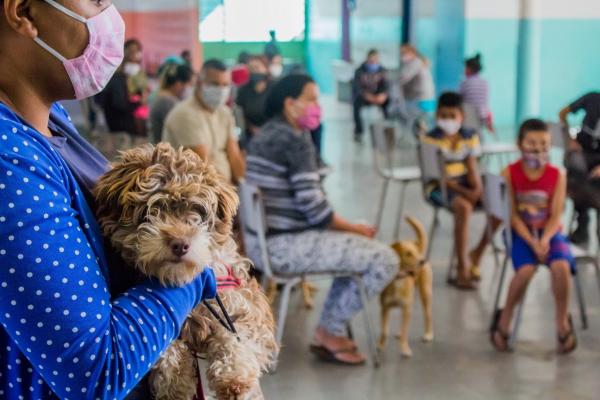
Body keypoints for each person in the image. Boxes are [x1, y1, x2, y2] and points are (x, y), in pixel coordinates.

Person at [0, 1, 217, 398]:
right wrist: (194, 277)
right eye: (97, 0)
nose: (109, 16)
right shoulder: (8, 162)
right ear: (25, 13)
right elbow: (97, 372)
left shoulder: (49, 117)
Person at [245, 74, 398, 365]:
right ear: (290, 104)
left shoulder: (265, 134)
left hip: (264, 244)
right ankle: (329, 331)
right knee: (384, 259)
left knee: (351, 249)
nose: (318, 106)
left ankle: (331, 328)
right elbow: (316, 211)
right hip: (287, 247)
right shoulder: (294, 141)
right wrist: (355, 228)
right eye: (312, 99)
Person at [491, 119, 576, 354]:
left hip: (549, 234)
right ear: (519, 144)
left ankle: (562, 323)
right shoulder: (509, 173)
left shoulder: (558, 175)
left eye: (544, 144)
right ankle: (505, 319)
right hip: (521, 234)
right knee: (526, 270)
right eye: (532, 143)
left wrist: (545, 240)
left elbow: (556, 215)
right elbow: (513, 217)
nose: (538, 149)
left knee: (561, 267)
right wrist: (532, 242)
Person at [421, 92, 499, 289]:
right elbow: (438, 178)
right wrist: (466, 193)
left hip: (465, 183)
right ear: (437, 114)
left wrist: (477, 189)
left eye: (452, 115)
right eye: (443, 115)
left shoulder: (469, 136)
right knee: (464, 208)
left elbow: (472, 166)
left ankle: (477, 253)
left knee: (499, 204)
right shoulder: (430, 139)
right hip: (439, 187)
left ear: (461, 116)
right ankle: (462, 268)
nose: (447, 120)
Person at [163, 59, 246, 183]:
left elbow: (234, 156)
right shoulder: (185, 114)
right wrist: (230, 195)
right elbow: (204, 167)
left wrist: (241, 184)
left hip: (224, 190)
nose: (221, 90)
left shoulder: (225, 112)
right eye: (215, 84)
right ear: (199, 83)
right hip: (196, 192)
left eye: (225, 85)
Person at [559, 92, 600, 244]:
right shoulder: (593, 98)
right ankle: (582, 225)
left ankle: (584, 227)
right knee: (576, 171)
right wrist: (569, 139)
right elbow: (563, 113)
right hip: (583, 155)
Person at [149, 64, 193, 144]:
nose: (188, 89)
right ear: (179, 84)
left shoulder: (163, 98)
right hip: (163, 152)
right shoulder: (167, 102)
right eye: (189, 84)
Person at [352, 49, 390, 142]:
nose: (373, 63)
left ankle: (387, 127)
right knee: (356, 104)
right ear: (367, 59)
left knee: (389, 102)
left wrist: (383, 95)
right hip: (365, 96)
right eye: (371, 61)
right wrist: (368, 96)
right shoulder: (359, 71)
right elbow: (357, 87)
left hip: (378, 97)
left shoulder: (383, 71)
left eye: (375, 61)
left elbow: (387, 85)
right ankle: (359, 131)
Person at [236, 56, 272, 149]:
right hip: (251, 135)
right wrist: (252, 128)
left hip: (273, 133)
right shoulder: (243, 90)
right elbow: (240, 114)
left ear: (266, 69)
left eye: (257, 68)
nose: (254, 71)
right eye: (251, 69)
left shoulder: (275, 87)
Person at [399, 44, 436, 126]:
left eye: (404, 53)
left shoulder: (416, 62)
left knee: (416, 125)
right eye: (401, 53)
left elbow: (402, 78)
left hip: (419, 99)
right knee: (424, 124)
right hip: (427, 98)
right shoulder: (420, 62)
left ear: (412, 52)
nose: (402, 55)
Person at [460, 53, 494, 134]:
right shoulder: (484, 82)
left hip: (469, 114)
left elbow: (460, 98)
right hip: (483, 114)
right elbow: (485, 101)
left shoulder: (465, 82)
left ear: (469, 69)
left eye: (465, 68)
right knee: (478, 132)